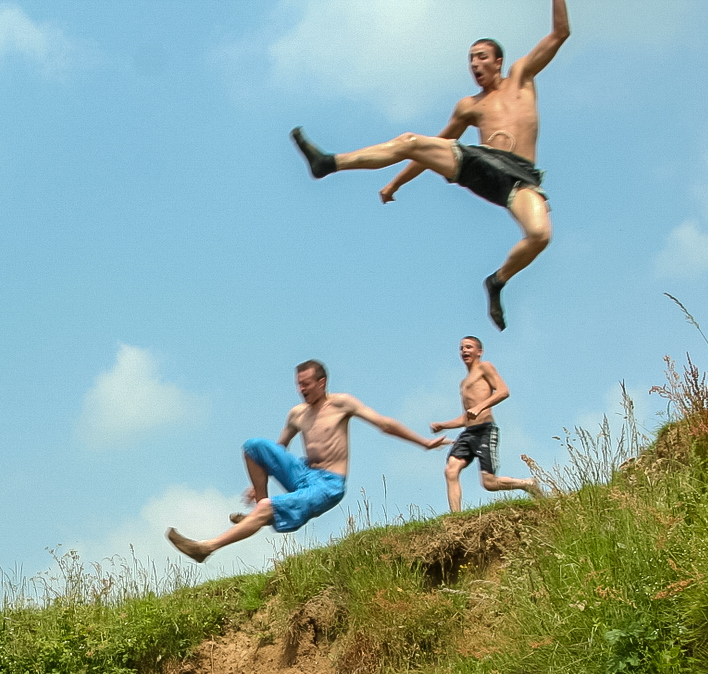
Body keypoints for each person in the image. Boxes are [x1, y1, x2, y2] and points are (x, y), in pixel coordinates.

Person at [290, 0, 570, 331]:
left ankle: (497, 281)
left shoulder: (522, 76)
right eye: (470, 59)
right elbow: (428, 149)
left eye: (481, 57)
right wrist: (397, 183)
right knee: (411, 141)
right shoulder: (469, 106)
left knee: (540, 234)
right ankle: (329, 163)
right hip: (482, 162)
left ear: (499, 61)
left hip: (521, 178)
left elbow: (560, 33)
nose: (475, 64)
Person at [167, 360, 447, 562]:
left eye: (306, 384)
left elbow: (384, 424)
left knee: (266, 506)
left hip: (328, 484)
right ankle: (262, 512)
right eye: (298, 384)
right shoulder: (297, 414)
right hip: (302, 472)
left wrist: (424, 443)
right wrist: (258, 481)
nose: (301, 389)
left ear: (322, 382)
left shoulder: (341, 404)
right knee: (253, 447)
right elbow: (279, 447)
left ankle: (207, 548)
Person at [430, 336, 542, 511]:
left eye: (469, 347)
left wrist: (480, 407)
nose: (464, 351)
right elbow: (467, 417)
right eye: (461, 348)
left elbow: (504, 391)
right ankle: (456, 518)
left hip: (485, 431)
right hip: (468, 432)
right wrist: (444, 425)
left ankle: (527, 484)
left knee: (489, 483)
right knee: (450, 471)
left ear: (479, 351)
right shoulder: (464, 383)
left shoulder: (485, 368)